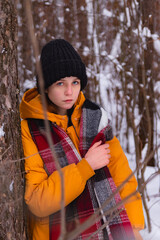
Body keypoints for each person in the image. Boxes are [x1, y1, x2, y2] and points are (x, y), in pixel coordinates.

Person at [20, 39, 144, 240]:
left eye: (75, 82)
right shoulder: (30, 129)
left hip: (108, 231)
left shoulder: (96, 118)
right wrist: (85, 167)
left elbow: (122, 177)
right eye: (60, 83)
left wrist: (134, 228)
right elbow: (36, 201)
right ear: (45, 86)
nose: (69, 92)